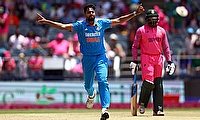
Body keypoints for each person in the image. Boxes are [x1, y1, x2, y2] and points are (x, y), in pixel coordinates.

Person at [37, 3, 144, 119]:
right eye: (89, 12)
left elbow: (118, 20)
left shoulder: (101, 23)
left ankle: (104, 109)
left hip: (100, 57)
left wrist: (134, 13)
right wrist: (47, 21)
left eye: (93, 12)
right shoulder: (80, 25)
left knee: (103, 81)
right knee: (88, 84)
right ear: (85, 14)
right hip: (87, 58)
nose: (91, 14)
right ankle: (91, 94)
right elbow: (63, 26)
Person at [131, 9, 176, 116]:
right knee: (148, 83)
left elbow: (166, 47)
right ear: (146, 19)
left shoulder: (162, 31)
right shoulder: (141, 30)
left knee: (158, 84)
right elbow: (134, 46)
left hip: (159, 58)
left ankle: (158, 109)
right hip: (146, 57)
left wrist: (169, 61)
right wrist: (134, 60)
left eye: (155, 18)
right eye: (150, 18)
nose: (153, 20)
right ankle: (142, 103)